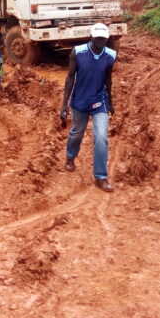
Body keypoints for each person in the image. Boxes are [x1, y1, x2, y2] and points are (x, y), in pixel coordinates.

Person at [60, 23, 117, 192]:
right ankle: (70, 157)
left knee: (101, 136)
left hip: (100, 101)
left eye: (103, 39)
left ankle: (100, 176)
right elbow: (70, 78)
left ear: (107, 39)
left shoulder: (111, 55)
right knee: (77, 133)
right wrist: (64, 104)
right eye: (97, 38)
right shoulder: (78, 53)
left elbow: (108, 80)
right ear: (91, 37)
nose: (100, 42)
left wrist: (111, 102)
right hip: (80, 101)